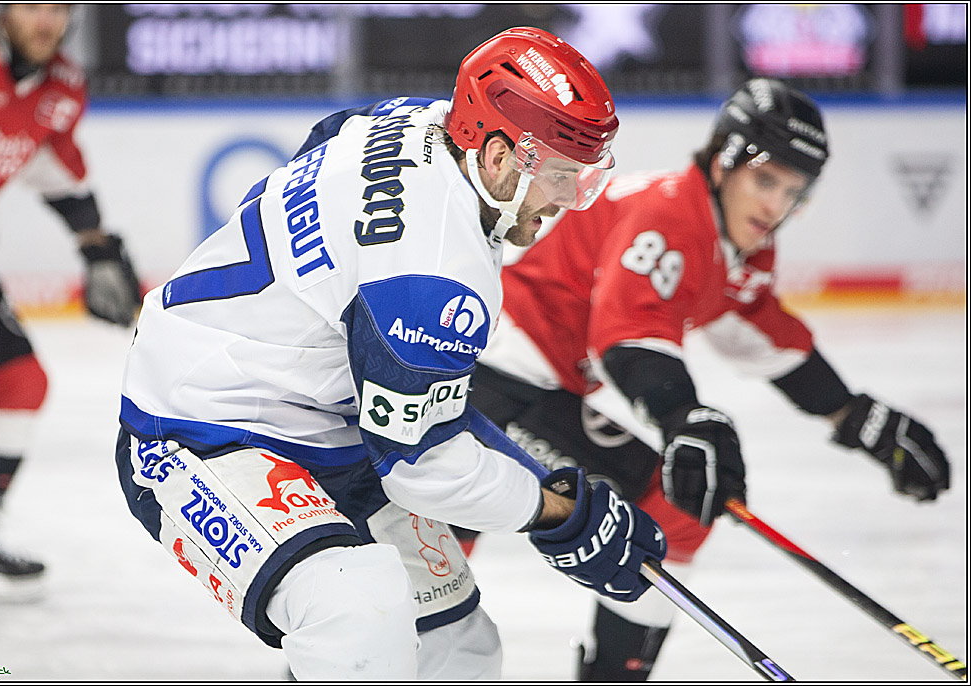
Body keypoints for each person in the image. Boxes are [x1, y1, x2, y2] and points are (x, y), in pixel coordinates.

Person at [113, 26, 667, 680]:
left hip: (325, 421)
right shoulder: (437, 273)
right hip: (200, 428)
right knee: (360, 612)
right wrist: (561, 516)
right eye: (558, 175)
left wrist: (553, 495)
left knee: (458, 650)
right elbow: (420, 466)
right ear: (496, 156)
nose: (567, 202)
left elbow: (325, 139)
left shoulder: (412, 119)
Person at [462, 78, 951, 680]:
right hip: (491, 375)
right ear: (724, 162)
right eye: (765, 181)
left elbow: (757, 331)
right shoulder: (670, 213)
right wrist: (682, 418)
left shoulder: (733, 242)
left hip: (527, 378)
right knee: (437, 551)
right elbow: (628, 334)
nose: (775, 206)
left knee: (666, 508)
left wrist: (858, 418)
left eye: (792, 191)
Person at [0, 4, 141, 614]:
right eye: (34, 4)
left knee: (22, 385)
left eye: (61, 7)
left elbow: (54, 169)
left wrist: (99, 252)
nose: (48, 19)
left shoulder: (61, 87)